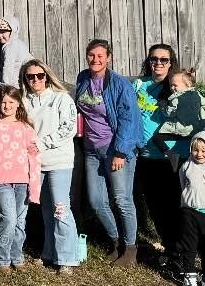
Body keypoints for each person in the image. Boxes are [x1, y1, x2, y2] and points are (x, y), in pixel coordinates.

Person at [73, 39, 143, 266]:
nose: (95, 60)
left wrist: (121, 152)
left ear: (108, 57)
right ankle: (116, 242)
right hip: (92, 150)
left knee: (122, 199)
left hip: (116, 149)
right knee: (96, 201)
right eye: (91, 55)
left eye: (100, 56)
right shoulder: (83, 78)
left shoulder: (119, 85)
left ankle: (131, 248)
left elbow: (129, 119)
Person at [20, 60, 80, 274]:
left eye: (39, 75)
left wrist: (41, 143)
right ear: (25, 79)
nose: (35, 80)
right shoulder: (24, 101)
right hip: (35, 163)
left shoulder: (61, 99)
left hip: (58, 161)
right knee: (45, 209)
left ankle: (67, 257)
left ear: (47, 76)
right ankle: (49, 252)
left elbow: (69, 128)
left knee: (60, 208)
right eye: (30, 76)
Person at [0, 85, 42, 272]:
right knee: (9, 219)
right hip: (2, 182)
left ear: (18, 104)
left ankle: (17, 256)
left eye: (11, 102)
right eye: (3, 102)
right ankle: (2, 259)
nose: (7, 106)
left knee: (20, 221)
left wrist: (35, 187)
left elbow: (34, 157)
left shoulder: (26, 128)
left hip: (23, 182)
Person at [133, 44, 181, 256]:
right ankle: (169, 245)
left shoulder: (175, 85)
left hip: (168, 154)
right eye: (154, 59)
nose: (158, 63)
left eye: (164, 60)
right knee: (153, 205)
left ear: (171, 63)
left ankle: (180, 248)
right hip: (144, 154)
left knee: (172, 204)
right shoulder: (139, 84)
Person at [172, 131, 205, 286]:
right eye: (196, 150)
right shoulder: (186, 166)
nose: (199, 154)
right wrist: (186, 203)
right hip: (189, 212)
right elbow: (182, 184)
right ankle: (189, 276)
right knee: (189, 245)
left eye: (204, 151)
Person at [0, 16, 33, 90]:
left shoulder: (9, 47)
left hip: (14, 86)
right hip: (22, 84)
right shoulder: (19, 43)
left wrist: (4, 87)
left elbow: (8, 68)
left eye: (3, 32)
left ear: (13, 31)